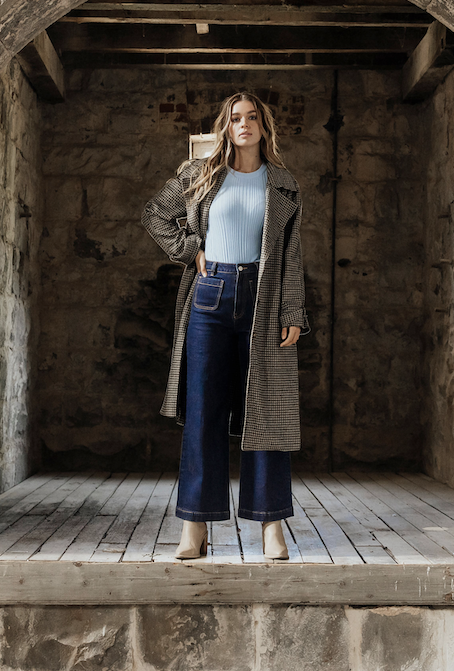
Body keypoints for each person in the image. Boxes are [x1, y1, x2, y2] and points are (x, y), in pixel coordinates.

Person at [141, 92, 309, 561]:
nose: (244, 124)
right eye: (236, 118)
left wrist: (292, 312)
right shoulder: (200, 174)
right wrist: (190, 250)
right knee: (203, 413)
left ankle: (271, 526)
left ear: (263, 126)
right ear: (226, 126)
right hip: (210, 296)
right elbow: (155, 214)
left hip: (263, 298)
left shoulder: (284, 184)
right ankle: (194, 526)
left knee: (267, 412)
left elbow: (292, 255)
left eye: (252, 117)